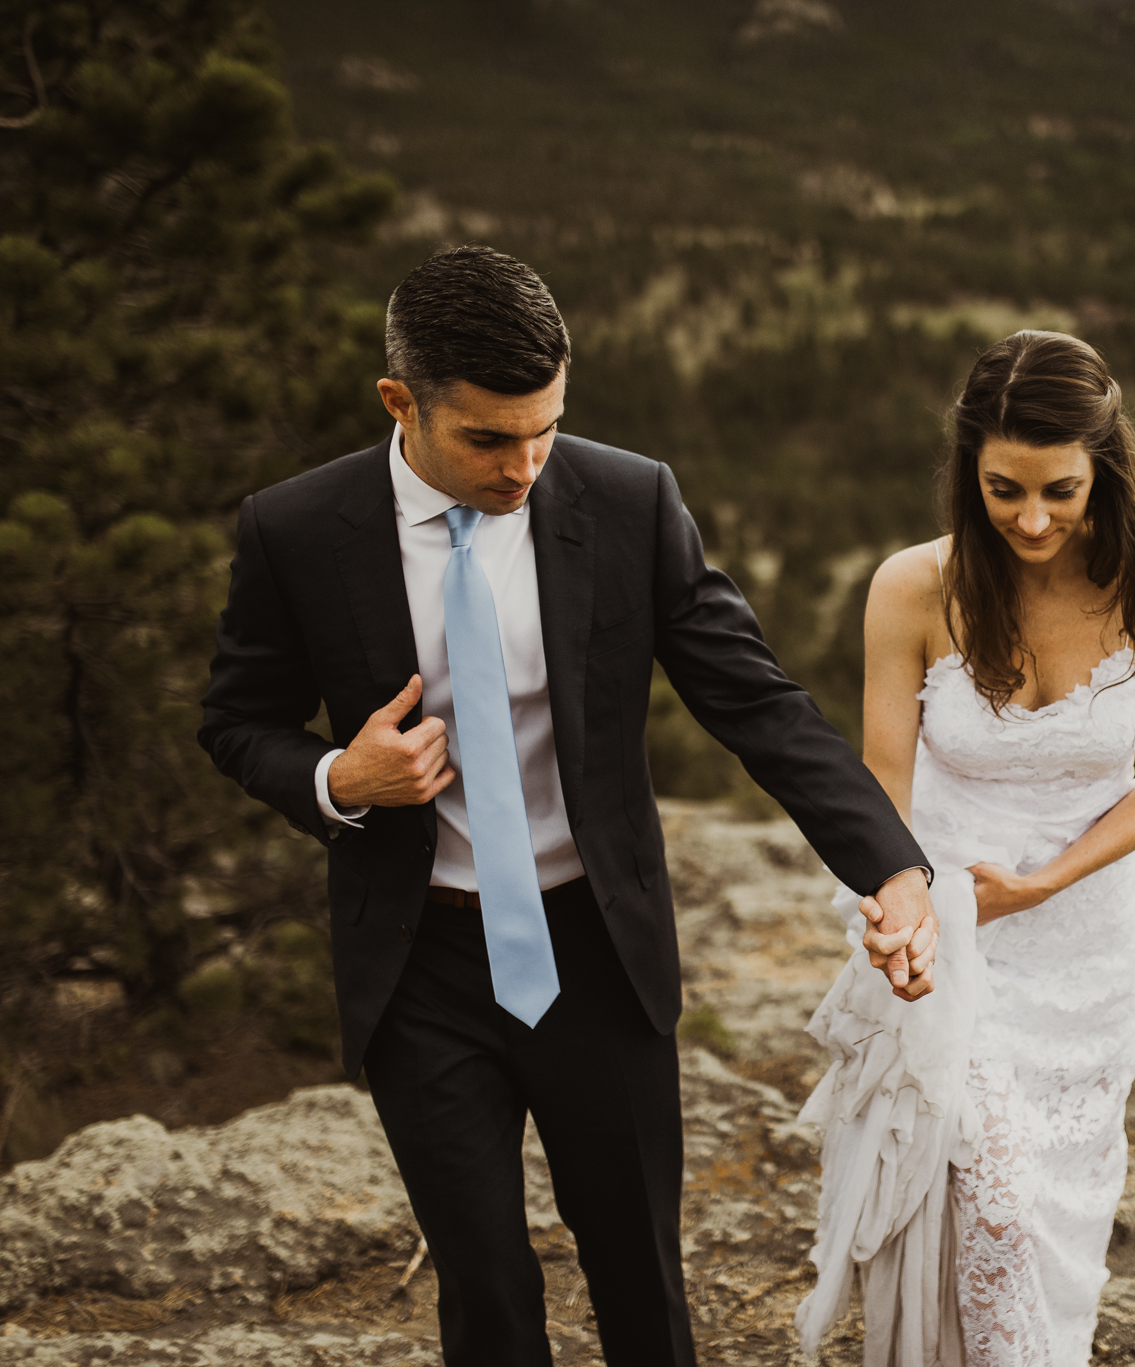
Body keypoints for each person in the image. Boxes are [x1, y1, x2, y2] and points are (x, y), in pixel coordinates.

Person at [197, 244, 939, 1366]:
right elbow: (236, 718)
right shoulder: (295, 528)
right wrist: (336, 780)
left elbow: (755, 700)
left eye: (544, 428)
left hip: (595, 946)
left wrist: (890, 865)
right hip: (420, 965)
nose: (524, 464)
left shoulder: (628, 499)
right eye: (488, 438)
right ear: (402, 401)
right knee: (486, 1286)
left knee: (639, 1269)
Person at [795, 331, 1135, 1366]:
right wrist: (890, 904)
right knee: (974, 1191)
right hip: (941, 919)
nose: (1031, 518)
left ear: (1102, 467)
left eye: (1059, 490)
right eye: (1003, 488)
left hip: (1084, 936)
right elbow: (880, 783)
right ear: (966, 467)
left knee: (1049, 1206)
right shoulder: (909, 587)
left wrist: (1044, 880)